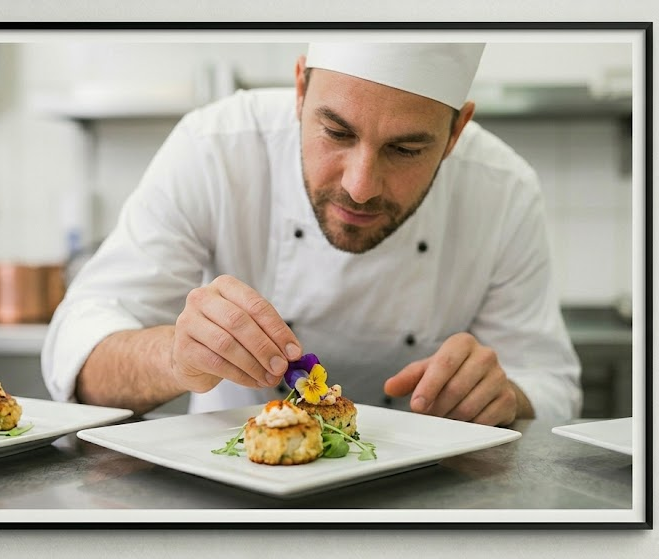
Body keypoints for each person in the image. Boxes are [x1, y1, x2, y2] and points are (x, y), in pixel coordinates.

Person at [41, 42, 582, 426]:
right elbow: (77, 354)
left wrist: (505, 394)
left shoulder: (504, 190)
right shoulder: (216, 148)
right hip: (232, 494)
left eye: (406, 149)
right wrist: (174, 357)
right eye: (336, 132)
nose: (361, 186)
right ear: (300, 90)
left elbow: (553, 386)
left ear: (455, 132)